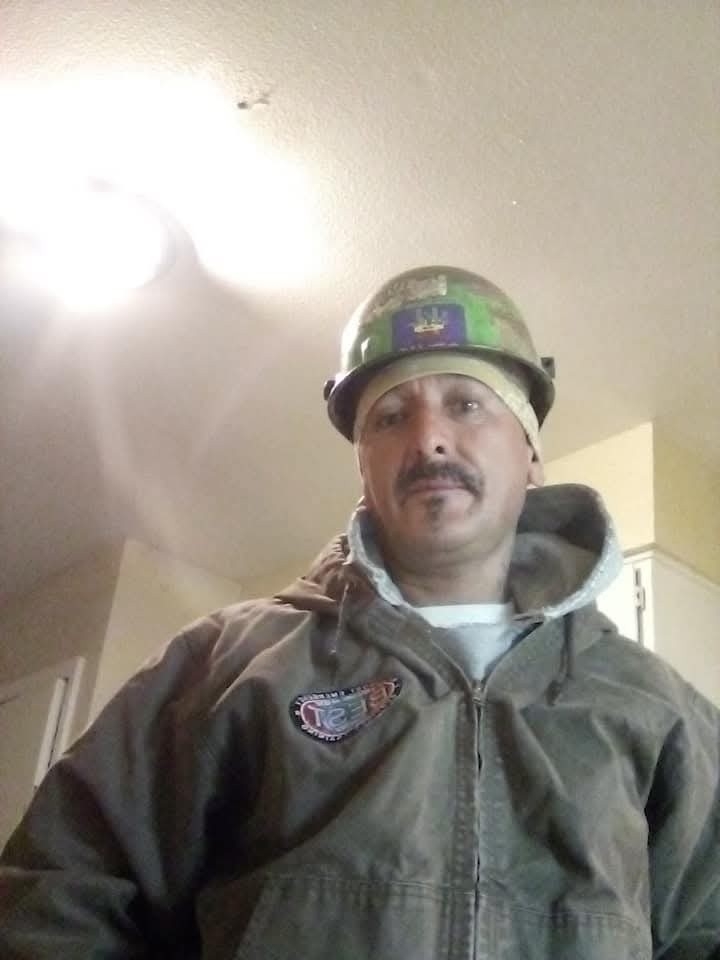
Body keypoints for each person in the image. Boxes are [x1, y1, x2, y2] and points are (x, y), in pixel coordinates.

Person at [1, 265, 718, 959]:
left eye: (466, 404)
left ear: (530, 450)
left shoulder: (655, 706)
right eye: (391, 417)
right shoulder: (225, 663)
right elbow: (53, 895)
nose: (428, 439)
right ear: (363, 464)